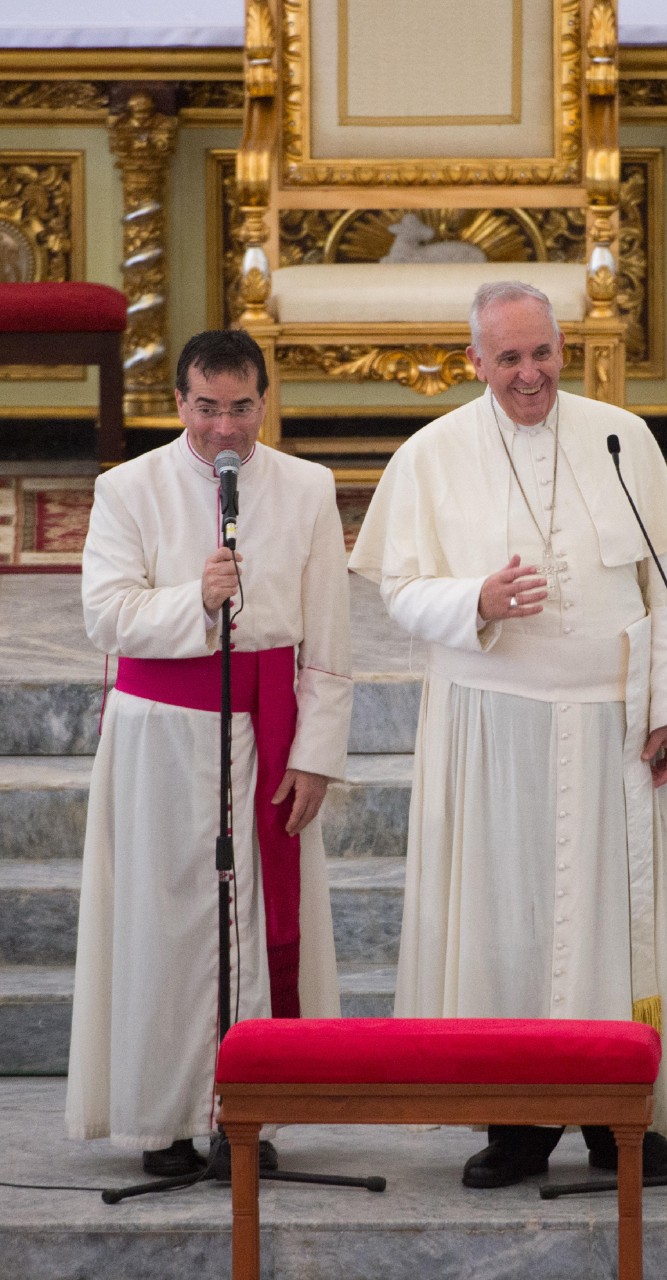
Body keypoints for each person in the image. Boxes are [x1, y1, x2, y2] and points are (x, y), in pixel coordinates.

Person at [349, 281, 667, 1188]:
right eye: (508, 359)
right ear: (475, 362)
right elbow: (395, 589)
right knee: (506, 929)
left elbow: (662, 586)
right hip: (492, 727)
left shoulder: (622, 437)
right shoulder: (433, 454)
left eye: (542, 353)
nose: (530, 374)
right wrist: (474, 599)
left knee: (615, 933)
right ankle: (516, 1122)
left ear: (561, 346)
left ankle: (627, 1123)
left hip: (613, 727)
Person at [65, 329, 352, 1177]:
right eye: (206, 408)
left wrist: (316, 752)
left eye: (240, 408)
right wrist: (196, 599)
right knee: (167, 924)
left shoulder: (307, 487)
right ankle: (166, 1118)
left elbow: (329, 640)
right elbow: (105, 615)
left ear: (264, 402)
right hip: (160, 736)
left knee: (258, 927)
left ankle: (249, 1113)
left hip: (268, 731)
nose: (224, 429)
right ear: (180, 402)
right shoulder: (128, 487)